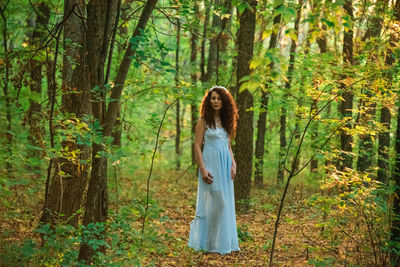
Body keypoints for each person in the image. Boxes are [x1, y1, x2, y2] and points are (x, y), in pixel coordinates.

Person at [188, 85, 240, 254]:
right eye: (213, 98)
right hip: (210, 166)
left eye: (218, 98)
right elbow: (197, 145)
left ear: (224, 102)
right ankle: (208, 240)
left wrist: (233, 163)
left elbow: (228, 145)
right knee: (219, 203)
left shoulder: (227, 121)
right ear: (208, 101)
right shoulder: (203, 120)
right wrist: (202, 169)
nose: (215, 101)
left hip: (225, 167)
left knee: (223, 204)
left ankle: (216, 242)